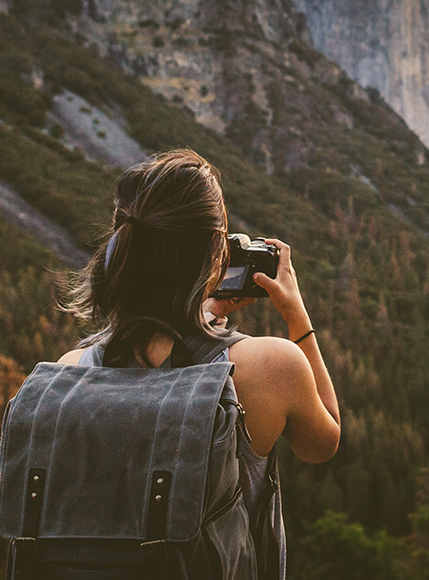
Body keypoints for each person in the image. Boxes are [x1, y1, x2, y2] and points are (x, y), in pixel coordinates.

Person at [57, 148, 341, 464]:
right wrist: (296, 315)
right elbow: (322, 445)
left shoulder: (71, 369)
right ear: (215, 257)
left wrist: (205, 313)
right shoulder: (274, 366)